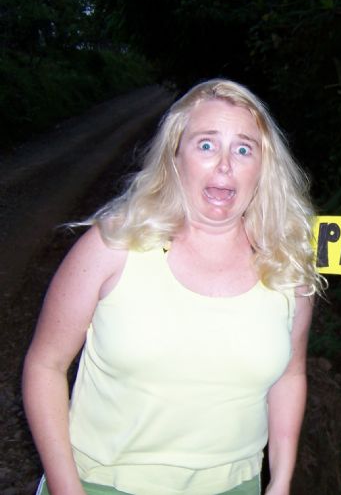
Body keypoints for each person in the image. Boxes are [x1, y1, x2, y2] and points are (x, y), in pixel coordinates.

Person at [22, 78, 323, 495]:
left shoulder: (286, 269)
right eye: (205, 144)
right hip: (102, 484)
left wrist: (282, 480)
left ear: (263, 167)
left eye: (243, 149)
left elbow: (290, 375)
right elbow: (45, 366)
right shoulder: (112, 248)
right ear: (174, 157)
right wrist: (65, 488)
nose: (224, 164)